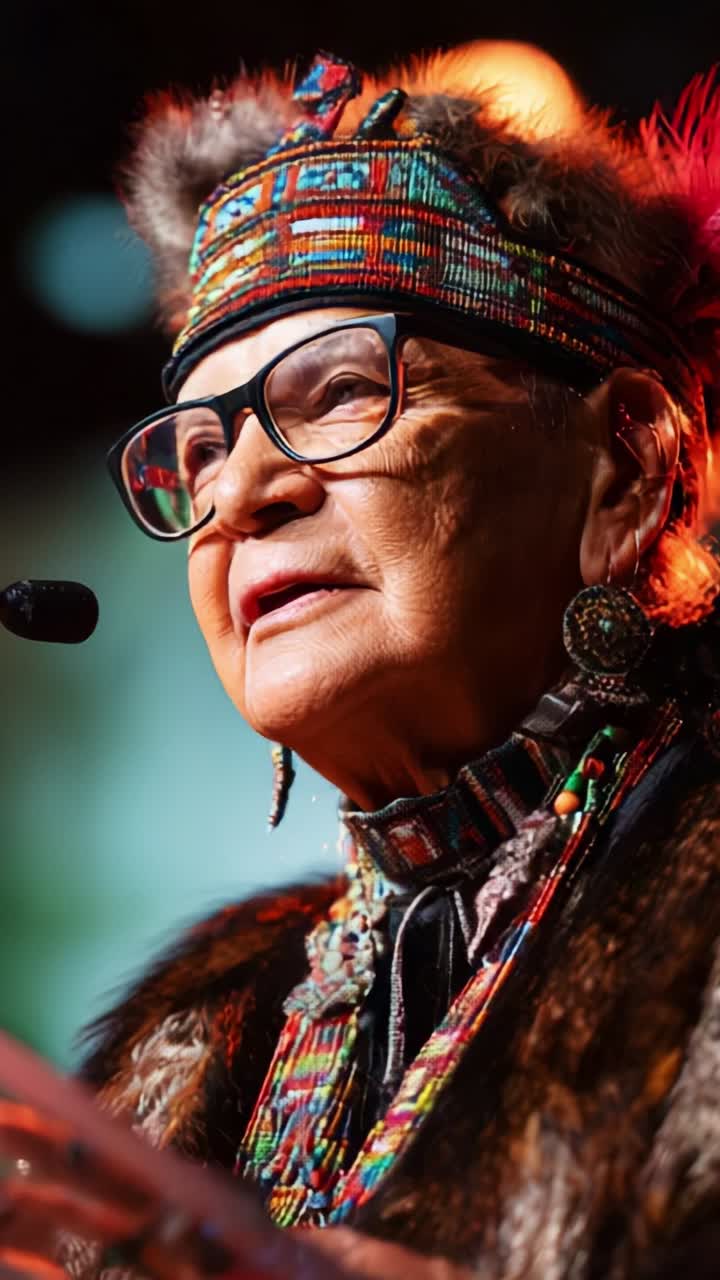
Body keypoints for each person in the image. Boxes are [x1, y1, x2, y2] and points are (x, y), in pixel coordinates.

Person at [2, 38, 720, 1280]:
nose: (242, 494)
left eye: (338, 390)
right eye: (198, 453)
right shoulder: (201, 1024)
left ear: (628, 465)